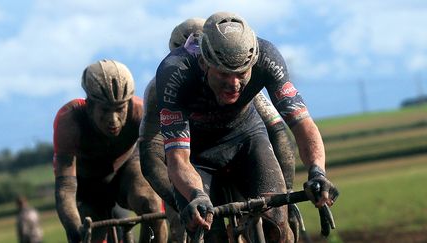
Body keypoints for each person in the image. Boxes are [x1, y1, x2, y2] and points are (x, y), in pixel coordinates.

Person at [154, 12, 339, 243]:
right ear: (203, 62)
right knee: (211, 235)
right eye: (223, 74)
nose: (233, 84)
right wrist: (196, 195)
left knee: (278, 230)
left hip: (247, 139)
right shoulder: (175, 72)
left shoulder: (267, 58)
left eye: (242, 73)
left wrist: (317, 172)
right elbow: (177, 158)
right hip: (196, 156)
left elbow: (302, 125)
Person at [52, 59, 168, 243]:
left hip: (126, 170)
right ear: (89, 106)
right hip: (87, 184)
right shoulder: (70, 119)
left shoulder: (140, 112)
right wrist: (75, 231)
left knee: (152, 205)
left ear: (129, 104)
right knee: (88, 233)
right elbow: (65, 187)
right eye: (105, 110)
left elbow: (157, 165)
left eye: (120, 109)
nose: (113, 120)